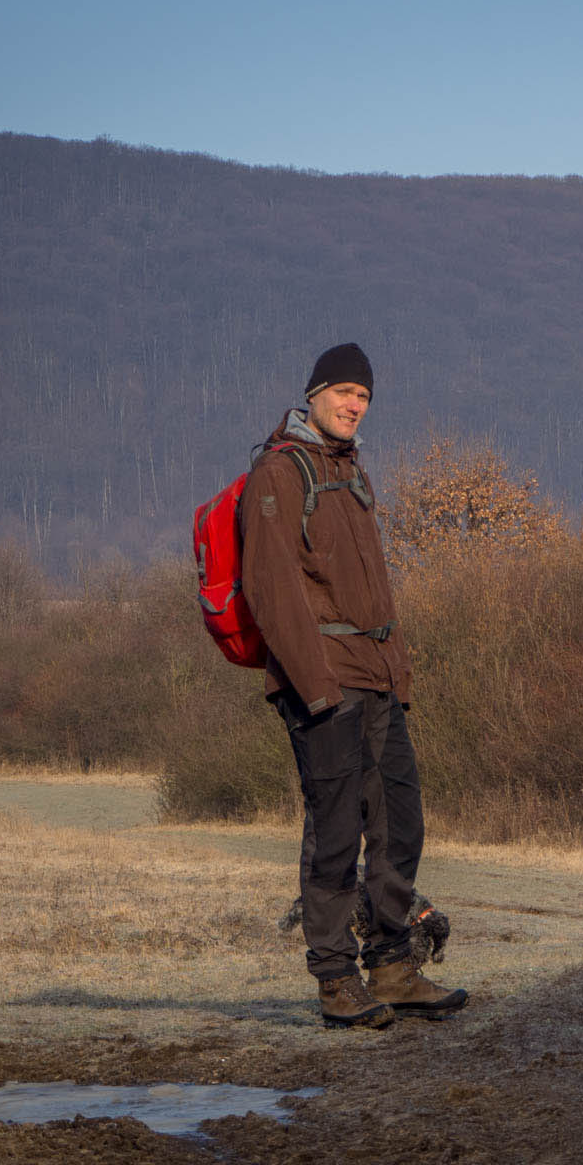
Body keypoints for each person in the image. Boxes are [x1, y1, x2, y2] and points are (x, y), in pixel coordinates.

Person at [240, 342, 467, 1029]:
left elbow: (377, 593)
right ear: (313, 395)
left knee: (401, 821)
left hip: (377, 682)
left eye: (363, 397)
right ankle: (336, 980)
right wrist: (313, 688)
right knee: (335, 833)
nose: (353, 405)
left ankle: (394, 967)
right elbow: (272, 590)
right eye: (342, 392)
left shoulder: (353, 474)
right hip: (326, 685)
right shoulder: (280, 475)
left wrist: (398, 680)